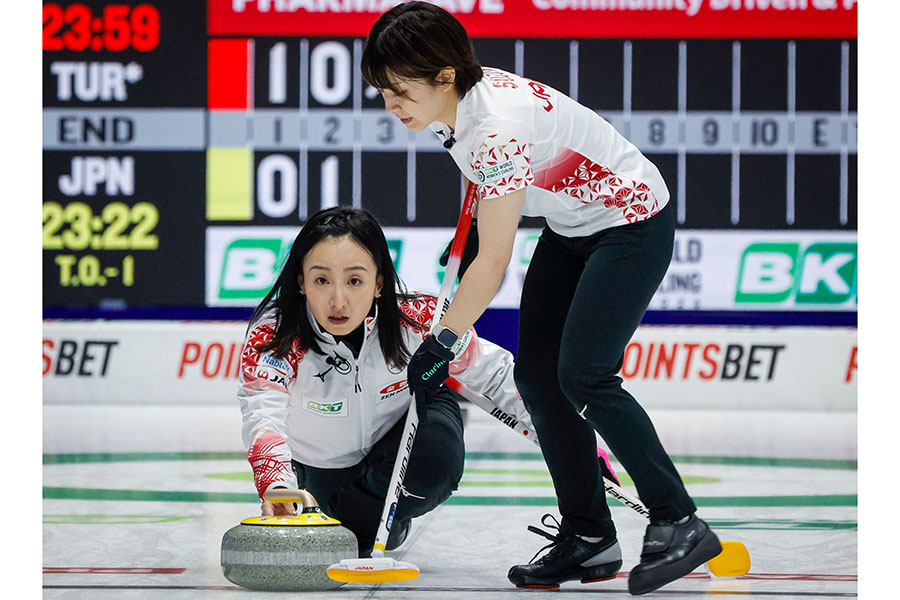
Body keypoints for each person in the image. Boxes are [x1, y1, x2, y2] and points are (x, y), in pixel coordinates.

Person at [361, 2, 722, 595]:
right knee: (536, 376)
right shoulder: (461, 106)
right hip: (574, 225)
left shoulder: (496, 128)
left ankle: (677, 517)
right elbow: (490, 206)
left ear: (444, 75)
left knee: (585, 375)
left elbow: (495, 261)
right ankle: (590, 536)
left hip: (631, 223)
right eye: (383, 91)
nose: (390, 107)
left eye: (398, 91)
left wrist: (442, 341)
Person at [237, 206, 532, 557]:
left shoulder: (422, 321)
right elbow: (263, 414)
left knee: (437, 451)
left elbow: (498, 377)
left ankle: (373, 521)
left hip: (405, 440)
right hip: (323, 469)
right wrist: (277, 484)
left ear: (379, 282)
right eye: (321, 280)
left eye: (355, 280)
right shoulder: (275, 334)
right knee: (350, 532)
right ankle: (368, 523)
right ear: (301, 281)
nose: (338, 300)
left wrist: (571, 442)